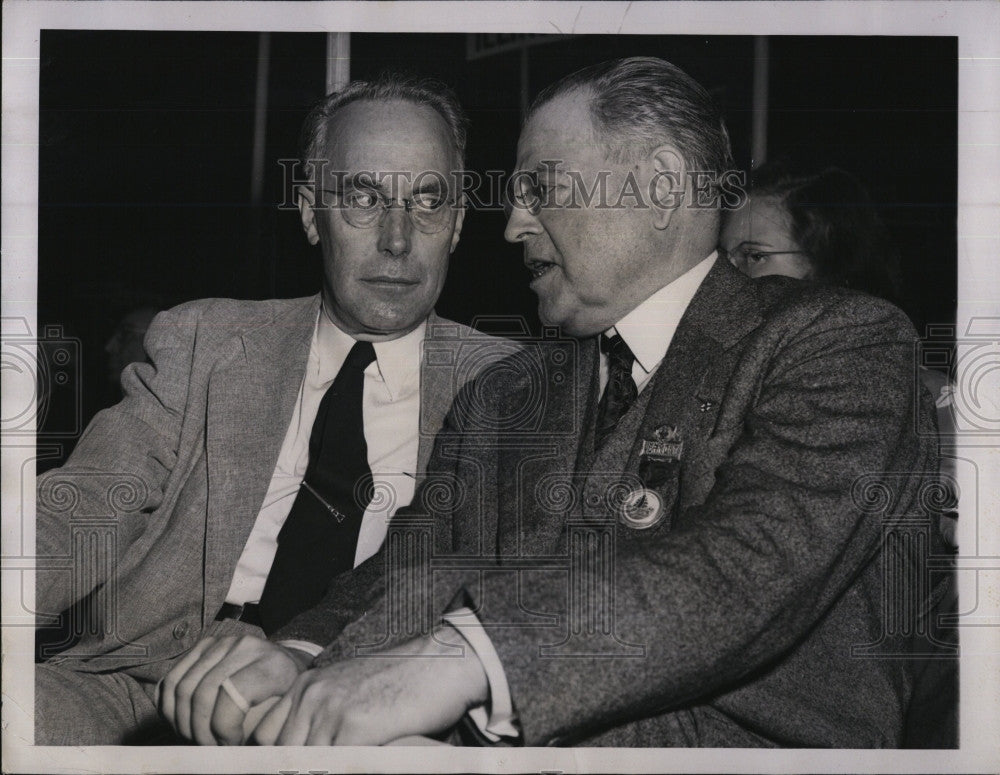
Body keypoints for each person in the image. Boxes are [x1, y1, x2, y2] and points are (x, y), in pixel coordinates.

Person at [184, 57, 943, 748]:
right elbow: (413, 564)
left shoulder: (843, 343)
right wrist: (297, 654)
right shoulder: (509, 394)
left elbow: (749, 565)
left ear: (660, 186)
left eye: (539, 189)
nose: (513, 224)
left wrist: (467, 655)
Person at [34, 74, 509, 745]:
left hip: (358, 712)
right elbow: (83, 502)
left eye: (427, 202)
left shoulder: (510, 386)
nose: (398, 240)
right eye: (363, 198)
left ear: (458, 224)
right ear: (312, 213)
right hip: (141, 692)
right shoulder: (205, 341)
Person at [719, 159, 958, 747]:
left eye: (752, 257)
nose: (725, 283)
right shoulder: (727, 388)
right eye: (720, 261)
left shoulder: (926, 404)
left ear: (831, 265)